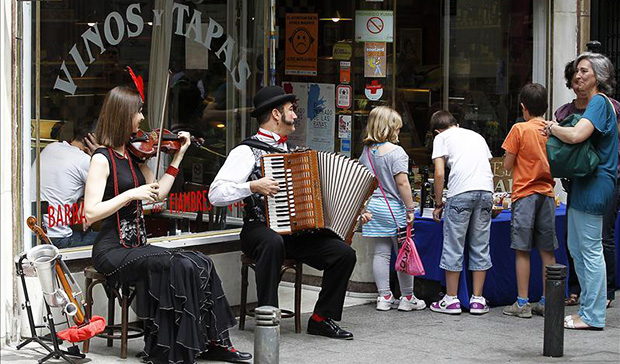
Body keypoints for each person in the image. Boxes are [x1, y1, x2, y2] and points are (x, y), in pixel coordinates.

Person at [83, 86, 251, 363]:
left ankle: (215, 341)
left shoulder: (134, 155)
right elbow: (90, 213)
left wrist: (178, 156)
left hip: (137, 245)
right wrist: (129, 194)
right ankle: (171, 347)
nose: (141, 118)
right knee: (179, 265)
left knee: (200, 261)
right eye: (137, 112)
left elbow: (158, 192)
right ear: (123, 115)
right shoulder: (102, 158)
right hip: (112, 250)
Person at [208, 85, 357, 339]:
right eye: (291, 110)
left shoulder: (291, 153)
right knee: (272, 241)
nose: (296, 116)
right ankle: (268, 316)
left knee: (344, 253)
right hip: (258, 229)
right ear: (276, 114)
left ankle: (321, 318)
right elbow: (215, 194)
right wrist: (252, 186)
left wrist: (351, 213)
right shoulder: (246, 151)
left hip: (292, 231)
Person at [542, 52, 618, 330]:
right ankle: (589, 308)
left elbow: (576, 135)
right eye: (575, 71)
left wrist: (553, 127)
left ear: (599, 76)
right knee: (577, 247)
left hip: (595, 184)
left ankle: (592, 315)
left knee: (589, 248)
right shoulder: (598, 104)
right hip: (585, 183)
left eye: (584, 71)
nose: (577, 76)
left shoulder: (599, 102)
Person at [358, 106, 426, 312]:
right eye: (396, 128)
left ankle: (384, 296)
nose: (398, 132)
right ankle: (407, 297)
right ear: (387, 128)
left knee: (381, 253)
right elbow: (403, 183)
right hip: (394, 208)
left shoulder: (367, 152)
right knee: (404, 252)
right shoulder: (397, 152)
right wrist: (410, 208)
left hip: (374, 207)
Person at [501, 83, 558, 318]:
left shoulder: (519, 129)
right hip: (547, 193)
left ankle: (522, 303)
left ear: (524, 108)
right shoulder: (551, 129)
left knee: (522, 250)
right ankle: (546, 301)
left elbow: (506, 164)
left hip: (524, 193)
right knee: (547, 250)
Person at [429, 110, 494, 315]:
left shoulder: (441, 137)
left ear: (437, 130)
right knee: (480, 244)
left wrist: (438, 203)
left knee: (453, 244)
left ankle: (451, 299)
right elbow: (489, 166)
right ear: (455, 123)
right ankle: (477, 299)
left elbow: (439, 173)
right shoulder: (477, 136)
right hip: (486, 191)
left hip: (460, 193)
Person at [31, 122, 99, 248]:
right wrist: (99, 154)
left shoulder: (51, 147)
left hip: (34, 235)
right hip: (58, 240)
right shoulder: (85, 161)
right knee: (114, 239)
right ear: (92, 140)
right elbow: (112, 188)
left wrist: (83, 200)